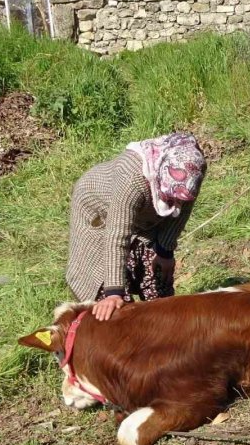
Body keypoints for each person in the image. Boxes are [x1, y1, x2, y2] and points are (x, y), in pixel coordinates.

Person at [66, 132, 205, 320]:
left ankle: (160, 327)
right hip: (99, 214)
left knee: (159, 284)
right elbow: (117, 235)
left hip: (145, 217)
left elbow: (182, 210)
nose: (176, 203)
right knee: (114, 308)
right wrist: (113, 292)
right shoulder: (131, 179)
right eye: (172, 197)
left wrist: (165, 250)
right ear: (161, 176)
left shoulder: (193, 168)